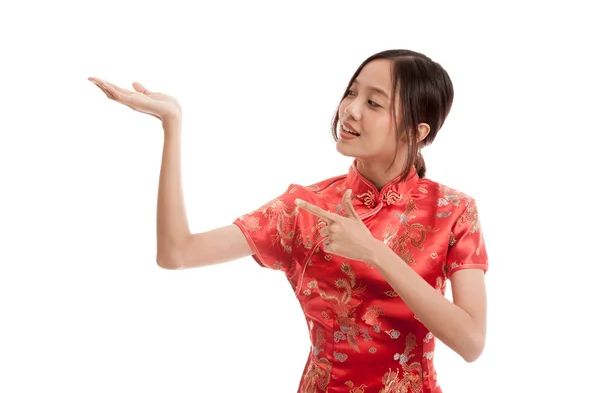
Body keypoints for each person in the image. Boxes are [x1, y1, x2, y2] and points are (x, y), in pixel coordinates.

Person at [89, 49, 488, 393]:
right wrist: (172, 125)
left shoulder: (452, 210)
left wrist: (373, 252)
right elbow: (176, 253)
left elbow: (470, 342)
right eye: (352, 92)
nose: (349, 109)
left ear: (417, 131)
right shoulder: (307, 208)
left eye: (373, 103)